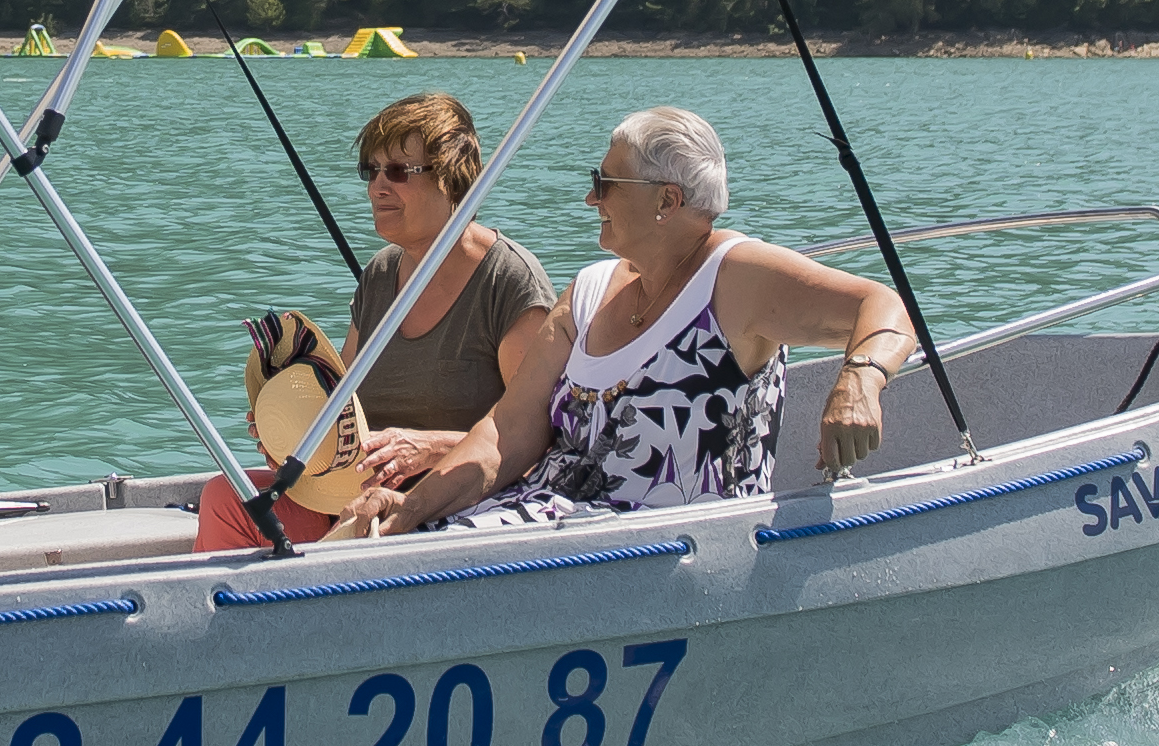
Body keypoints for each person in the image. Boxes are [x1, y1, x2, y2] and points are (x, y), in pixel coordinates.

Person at [435, 104, 914, 530]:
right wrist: (408, 507)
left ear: (667, 200)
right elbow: (507, 430)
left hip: (663, 546)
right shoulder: (589, 290)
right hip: (546, 520)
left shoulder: (736, 274)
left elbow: (885, 307)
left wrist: (859, 383)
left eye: (604, 184)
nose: (590, 199)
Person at [198, 91, 566, 548]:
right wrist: (292, 433)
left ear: (452, 178)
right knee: (228, 497)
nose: (377, 187)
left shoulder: (508, 283)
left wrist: (430, 448)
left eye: (397, 171)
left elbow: (543, 441)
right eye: (370, 171)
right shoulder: (379, 275)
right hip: (358, 498)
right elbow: (344, 405)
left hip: (459, 512)